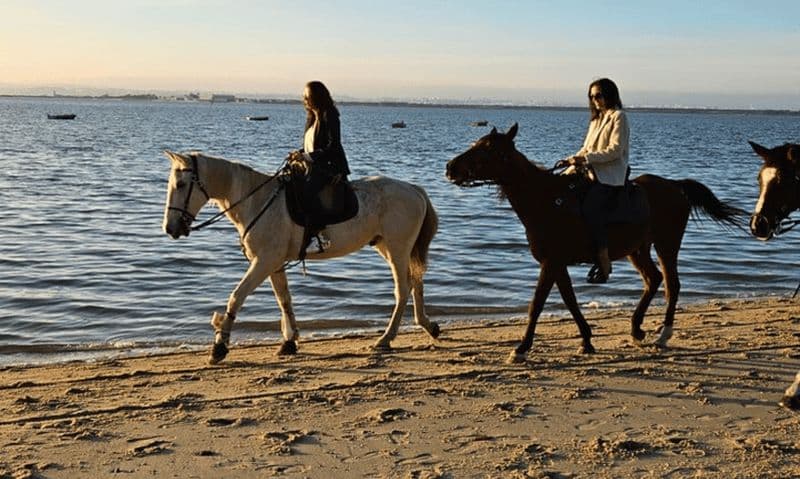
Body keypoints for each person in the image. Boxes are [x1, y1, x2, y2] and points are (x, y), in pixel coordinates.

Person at [565, 78, 630, 284]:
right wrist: (570, 162)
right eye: (592, 97)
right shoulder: (596, 120)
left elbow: (615, 150)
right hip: (589, 171)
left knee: (591, 207)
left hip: (609, 175)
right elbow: (586, 148)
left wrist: (586, 159)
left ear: (609, 95)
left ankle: (603, 257)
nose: (595, 100)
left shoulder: (619, 117)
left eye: (599, 95)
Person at [290, 81, 350, 253]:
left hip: (328, 168)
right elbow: (311, 147)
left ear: (317, 97)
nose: (304, 100)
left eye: (307, 97)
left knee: (309, 191)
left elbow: (333, 146)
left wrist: (307, 156)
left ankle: (317, 236)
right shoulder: (311, 118)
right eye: (304, 97)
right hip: (311, 166)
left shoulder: (329, 115)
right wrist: (299, 153)